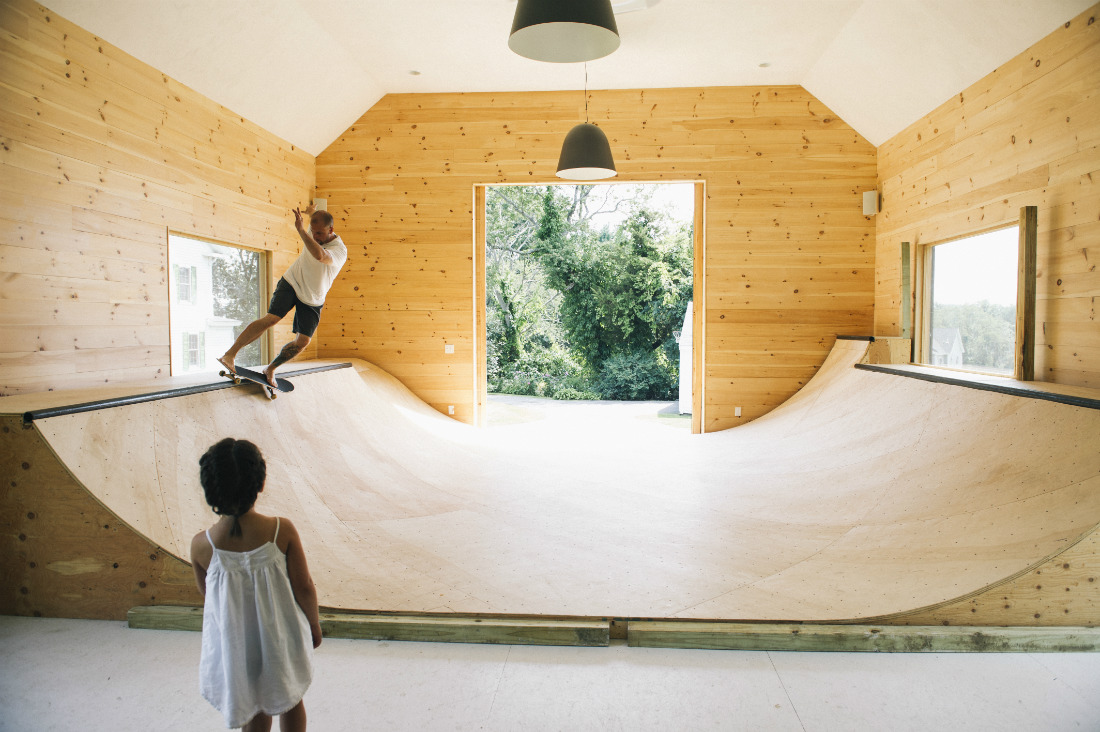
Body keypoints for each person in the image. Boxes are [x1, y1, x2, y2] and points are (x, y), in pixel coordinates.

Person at [190, 438, 322, 731]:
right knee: (290, 698)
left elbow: (208, 595)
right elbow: (304, 587)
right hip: (281, 637)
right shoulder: (281, 531)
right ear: (260, 483)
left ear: (211, 490)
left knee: (252, 704)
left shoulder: (202, 545)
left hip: (236, 643)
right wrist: (313, 624)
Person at [218, 205, 348, 387]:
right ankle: (229, 355)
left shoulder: (340, 250)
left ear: (331, 230)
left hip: (313, 298)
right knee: (271, 319)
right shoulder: (312, 229)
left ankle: (271, 369)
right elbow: (313, 218)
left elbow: (320, 256)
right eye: (314, 232)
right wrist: (311, 211)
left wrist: (302, 231)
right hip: (292, 282)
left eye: (319, 234)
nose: (315, 236)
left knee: (302, 342)